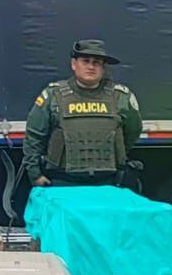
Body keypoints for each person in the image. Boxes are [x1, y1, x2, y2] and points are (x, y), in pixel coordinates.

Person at [22, 39, 143, 188]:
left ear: (103, 68)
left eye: (97, 62)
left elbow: (132, 132)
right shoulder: (53, 95)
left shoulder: (121, 97)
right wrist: (35, 175)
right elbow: (34, 137)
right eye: (85, 61)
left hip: (108, 182)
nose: (91, 66)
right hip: (63, 181)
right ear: (74, 64)